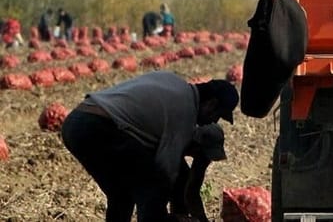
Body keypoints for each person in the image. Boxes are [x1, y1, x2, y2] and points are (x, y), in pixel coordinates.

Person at [60, 71, 239, 222]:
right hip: (98, 125)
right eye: (217, 115)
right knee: (153, 186)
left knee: (122, 195)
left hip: (77, 122)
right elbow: (167, 171)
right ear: (211, 103)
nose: (213, 121)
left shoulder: (175, 85)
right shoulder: (185, 111)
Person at [167, 123, 227, 222]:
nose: (205, 157)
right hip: (149, 148)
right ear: (196, 144)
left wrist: (202, 219)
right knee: (177, 182)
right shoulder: (177, 138)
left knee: (182, 181)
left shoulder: (204, 154)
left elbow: (192, 190)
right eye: (203, 152)